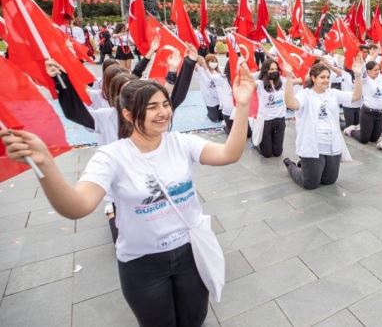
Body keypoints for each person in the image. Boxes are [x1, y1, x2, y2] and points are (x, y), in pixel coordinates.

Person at [0, 67, 255, 326]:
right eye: (152, 107)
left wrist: (242, 105)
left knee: (194, 319)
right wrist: (46, 167)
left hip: (190, 252)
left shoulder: (181, 142)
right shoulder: (111, 156)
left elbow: (229, 154)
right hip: (142, 264)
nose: (163, 112)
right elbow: (77, 206)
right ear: (128, 114)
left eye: (165, 104)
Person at [282, 61, 363, 190]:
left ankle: (307, 166)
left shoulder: (333, 93)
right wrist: (288, 78)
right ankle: (291, 165)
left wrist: (358, 75)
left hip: (332, 145)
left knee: (329, 181)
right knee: (310, 184)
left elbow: (356, 96)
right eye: (322, 77)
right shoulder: (305, 94)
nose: (326, 80)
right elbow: (291, 104)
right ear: (313, 78)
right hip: (313, 146)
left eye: (327, 77)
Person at [344, 61, 382, 144]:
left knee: (374, 139)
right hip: (368, 113)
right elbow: (362, 71)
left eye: (378, 69)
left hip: (380, 113)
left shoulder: (380, 78)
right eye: (375, 70)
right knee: (364, 140)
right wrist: (361, 64)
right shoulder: (366, 80)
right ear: (368, 71)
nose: (377, 72)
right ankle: (351, 130)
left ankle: (361, 128)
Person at [252, 59, 287, 158]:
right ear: (265, 70)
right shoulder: (259, 83)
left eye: (276, 69)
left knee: (277, 153)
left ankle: (268, 142)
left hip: (280, 120)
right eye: (271, 69)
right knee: (267, 154)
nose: (274, 71)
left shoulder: (283, 81)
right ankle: (256, 143)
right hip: (266, 121)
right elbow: (248, 83)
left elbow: (299, 81)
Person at [195, 54, 223, 122]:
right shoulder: (201, 70)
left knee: (222, 118)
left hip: (220, 99)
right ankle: (210, 113)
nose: (214, 63)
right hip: (210, 100)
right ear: (207, 62)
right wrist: (201, 60)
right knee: (215, 119)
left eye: (215, 61)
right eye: (212, 61)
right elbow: (195, 62)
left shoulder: (218, 71)